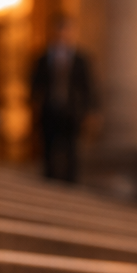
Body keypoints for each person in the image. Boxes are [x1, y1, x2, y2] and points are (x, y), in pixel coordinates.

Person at [28, 14, 96, 183]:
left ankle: (70, 183)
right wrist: (33, 105)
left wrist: (90, 111)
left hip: (72, 111)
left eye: (67, 30)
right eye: (59, 30)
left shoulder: (81, 60)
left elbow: (88, 87)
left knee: (71, 148)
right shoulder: (43, 58)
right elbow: (35, 84)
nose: (63, 34)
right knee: (48, 147)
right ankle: (49, 180)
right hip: (49, 109)